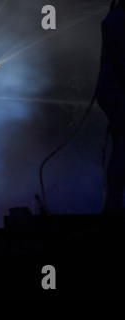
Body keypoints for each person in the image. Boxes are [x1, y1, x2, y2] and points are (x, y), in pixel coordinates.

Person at [96, 0, 125, 216]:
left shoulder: (116, 17)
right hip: (116, 90)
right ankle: (114, 206)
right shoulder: (118, 19)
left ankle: (114, 205)